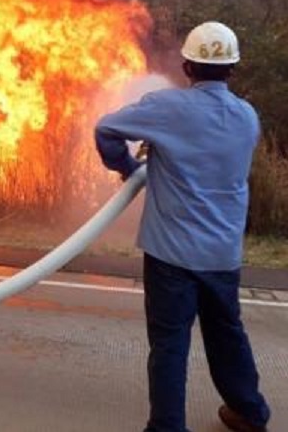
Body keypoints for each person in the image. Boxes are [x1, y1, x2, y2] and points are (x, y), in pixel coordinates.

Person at [95, 22, 271, 432]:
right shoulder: (248, 117)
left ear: (187, 66)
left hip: (171, 254)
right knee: (227, 332)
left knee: (171, 343)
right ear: (233, 69)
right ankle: (250, 412)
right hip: (222, 254)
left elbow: (105, 129)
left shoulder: (166, 108)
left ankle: (167, 427)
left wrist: (127, 167)